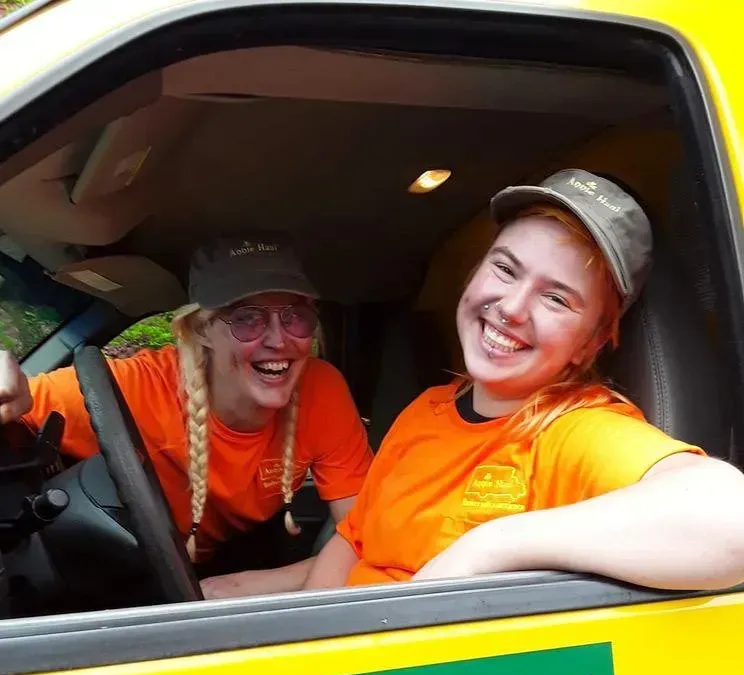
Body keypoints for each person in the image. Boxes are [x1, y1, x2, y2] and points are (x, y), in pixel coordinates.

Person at [305, 169, 744, 592]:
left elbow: (732, 520)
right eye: (505, 269)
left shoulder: (575, 430)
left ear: (589, 345)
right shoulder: (425, 410)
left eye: (555, 298)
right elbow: (352, 544)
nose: (512, 308)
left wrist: (489, 545)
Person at [0, 235, 373, 597]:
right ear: (203, 330)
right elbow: (18, 397)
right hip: (138, 571)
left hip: (240, 561)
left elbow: (367, 536)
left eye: (296, 316)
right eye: (247, 319)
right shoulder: (134, 386)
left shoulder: (321, 390)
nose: (279, 340)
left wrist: (238, 586)